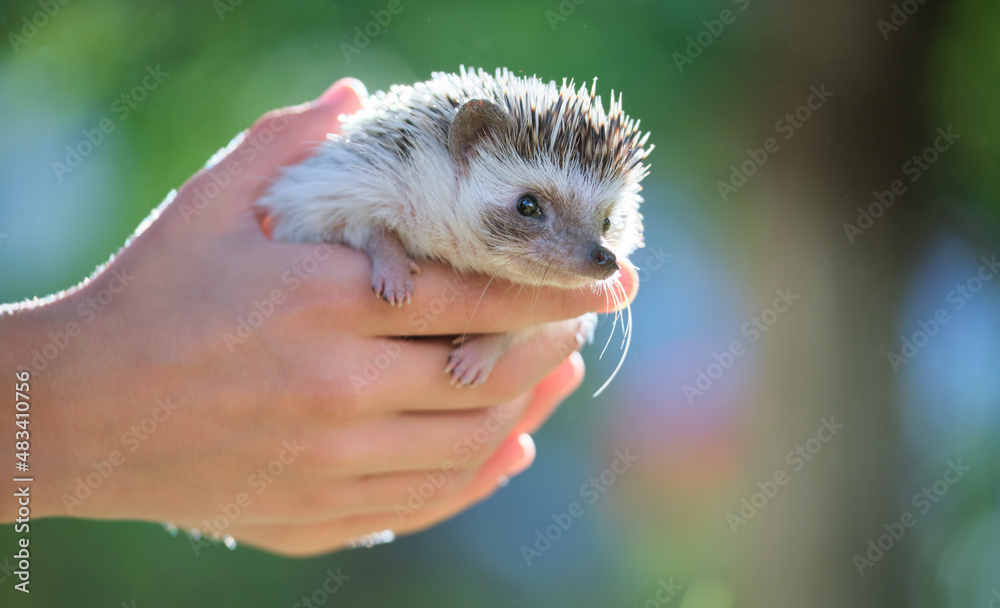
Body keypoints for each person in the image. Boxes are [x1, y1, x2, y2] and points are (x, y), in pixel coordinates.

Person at [0, 79, 637, 556]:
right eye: (530, 207)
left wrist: (492, 348)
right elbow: (310, 213)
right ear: (463, 153)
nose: (590, 254)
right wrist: (66, 419)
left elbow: (548, 328)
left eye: (603, 227)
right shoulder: (398, 178)